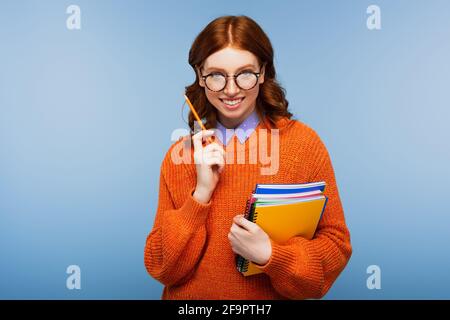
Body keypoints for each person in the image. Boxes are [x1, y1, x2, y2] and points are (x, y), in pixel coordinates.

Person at [144, 15, 352, 300]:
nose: (231, 90)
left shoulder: (303, 145)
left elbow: (335, 248)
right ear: (200, 76)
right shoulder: (180, 156)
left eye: (245, 73)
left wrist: (272, 255)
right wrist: (200, 194)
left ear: (263, 72)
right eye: (216, 75)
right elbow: (162, 268)